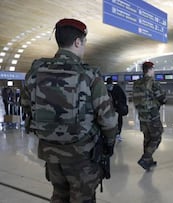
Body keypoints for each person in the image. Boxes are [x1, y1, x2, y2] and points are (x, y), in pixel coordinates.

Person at [21, 18, 118, 202]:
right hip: (81, 155)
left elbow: (27, 107)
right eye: (84, 43)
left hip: (51, 154)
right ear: (77, 42)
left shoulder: (35, 72)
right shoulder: (89, 75)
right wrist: (110, 143)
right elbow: (108, 119)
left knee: (59, 195)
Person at [133, 61, 167, 171]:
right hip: (152, 116)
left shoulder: (137, 83)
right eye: (153, 69)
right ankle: (146, 157)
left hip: (142, 116)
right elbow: (162, 98)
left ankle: (148, 162)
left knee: (147, 138)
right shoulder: (152, 82)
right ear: (150, 70)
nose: (154, 71)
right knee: (157, 136)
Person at [106, 77, 128, 142]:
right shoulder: (117, 88)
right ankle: (117, 134)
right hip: (117, 109)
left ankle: (111, 135)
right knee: (118, 121)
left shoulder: (104, 89)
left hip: (109, 109)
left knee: (110, 122)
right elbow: (123, 97)